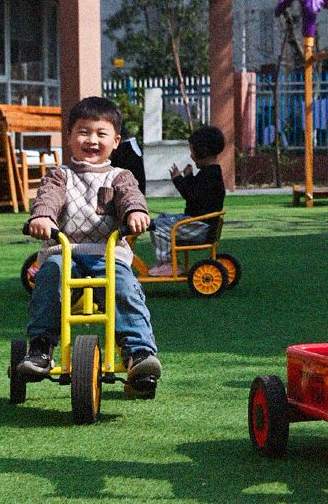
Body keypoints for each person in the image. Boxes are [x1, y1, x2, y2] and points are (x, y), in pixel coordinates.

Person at [19, 95, 161, 387]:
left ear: (116, 141)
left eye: (101, 133)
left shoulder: (121, 176)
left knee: (124, 286)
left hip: (107, 253)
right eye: (83, 132)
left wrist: (136, 213)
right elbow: (48, 198)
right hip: (64, 252)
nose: (92, 140)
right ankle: (41, 347)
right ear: (69, 136)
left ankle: (138, 352)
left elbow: (131, 197)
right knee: (50, 276)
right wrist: (42, 217)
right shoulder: (60, 175)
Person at [147, 125, 226, 276]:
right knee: (161, 218)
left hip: (201, 227)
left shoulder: (210, 176)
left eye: (192, 151)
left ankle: (168, 263)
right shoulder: (211, 173)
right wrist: (189, 177)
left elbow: (192, 196)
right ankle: (166, 262)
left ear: (201, 151)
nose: (191, 156)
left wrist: (178, 179)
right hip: (200, 223)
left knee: (157, 226)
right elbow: (198, 194)